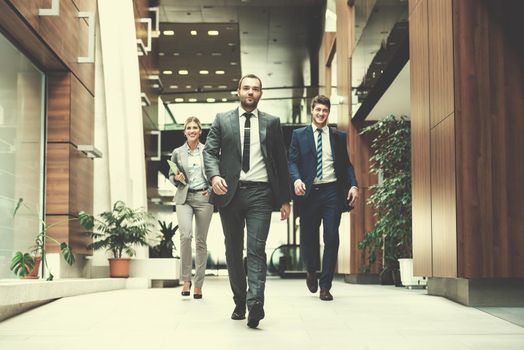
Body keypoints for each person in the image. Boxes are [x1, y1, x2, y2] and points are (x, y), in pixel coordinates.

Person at [203, 74, 291, 328]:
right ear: (238, 91)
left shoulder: (272, 123)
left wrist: (284, 199)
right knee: (233, 249)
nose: (250, 92)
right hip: (230, 193)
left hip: (261, 194)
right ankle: (240, 300)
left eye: (255, 89)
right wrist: (214, 175)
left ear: (261, 94)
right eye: (246, 88)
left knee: (256, 249)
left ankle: (255, 304)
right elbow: (209, 151)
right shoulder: (222, 120)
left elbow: (281, 162)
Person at [288, 95, 359, 301]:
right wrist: (296, 180)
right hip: (309, 193)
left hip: (332, 192)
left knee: (331, 237)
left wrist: (353, 184)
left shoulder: (338, 136)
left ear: (328, 113)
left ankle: (325, 285)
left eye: (325, 111)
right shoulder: (299, 135)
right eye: (318, 110)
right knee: (308, 238)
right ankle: (311, 269)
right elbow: (292, 161)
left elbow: (346, 164)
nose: (321, 114)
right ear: (312, 110)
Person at [169, 116, 214, 299]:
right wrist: (176, 178)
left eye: (195, 127)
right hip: (184, 197)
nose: (192, 130)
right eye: (189, 128)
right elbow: (172, 175)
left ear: (200, 131)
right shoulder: (178, 152)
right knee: (185, 236)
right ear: (184, 131)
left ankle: (199, 284)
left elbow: (216, 172)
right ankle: (186, 279)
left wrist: (210, 190)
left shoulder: (208, 151)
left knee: (201, 242)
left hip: (204, 197)